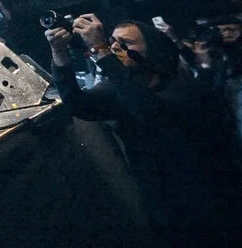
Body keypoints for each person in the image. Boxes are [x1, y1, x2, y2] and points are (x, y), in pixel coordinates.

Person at [45, 14, 241, 245]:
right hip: (161, 202)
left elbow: (150, 111)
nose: (115, 47)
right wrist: (59, 53)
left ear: (154, 50)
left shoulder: (188, 91)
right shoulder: (121, 88)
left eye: (126, 43)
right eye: (112, 41)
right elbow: (79, 105)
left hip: (213, 201)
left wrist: (101, 51)